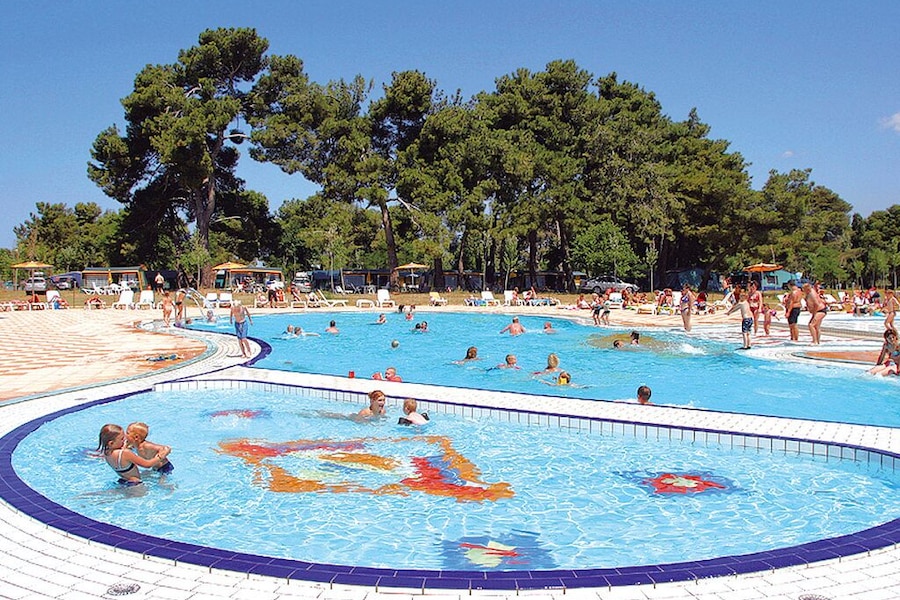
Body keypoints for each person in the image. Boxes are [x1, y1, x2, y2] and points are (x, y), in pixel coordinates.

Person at [97, 424, 169, 484]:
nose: (125, 439)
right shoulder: (125, 453)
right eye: (122, 439)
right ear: (111, 443)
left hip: (124, 480)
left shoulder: (106, 452)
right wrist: (160, 457)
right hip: (135, 483)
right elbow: (147, 465)